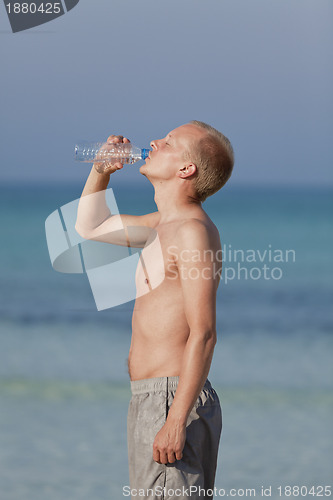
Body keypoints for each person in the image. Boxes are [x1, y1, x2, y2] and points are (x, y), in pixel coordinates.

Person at [75, 120, 234, 499]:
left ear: (186, 170)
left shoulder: (192, 231)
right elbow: (89, 226)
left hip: (172, 398)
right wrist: (101, 171)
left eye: (168, 142)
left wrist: (176, 418)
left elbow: (204, 333)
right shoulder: (163, 225)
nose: (153, 142)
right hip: (151, 398)